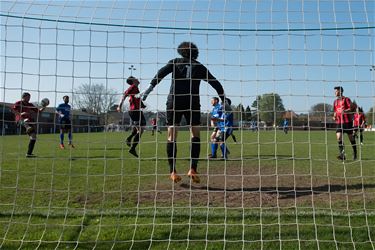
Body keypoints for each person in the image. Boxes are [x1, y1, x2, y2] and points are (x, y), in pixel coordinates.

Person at [141, 41, 226, 183]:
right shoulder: (199, 66)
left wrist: (150, 88)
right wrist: (224, 100)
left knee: (172, 136)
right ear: (195, 53)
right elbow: (215, 82)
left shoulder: (175, 62)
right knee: (195, 134)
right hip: (192, 103)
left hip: (174, 101)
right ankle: (192, 168)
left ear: (181, 51)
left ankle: (173, 171)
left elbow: (160, 73)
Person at [117, 76, 146, 158]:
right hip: (134, 111)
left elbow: (135, 99)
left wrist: (142, 105)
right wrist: (119, 106)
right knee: (140, 130)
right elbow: (124, 95)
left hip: (137, 111)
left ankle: (129, 139)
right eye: (136, 78)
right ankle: (132, 148)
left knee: (140, 129)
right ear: (133, 81)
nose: (138, 79)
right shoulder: (132, 87)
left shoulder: (136, 89)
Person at [11, 92, 47, 157]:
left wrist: (44, 106)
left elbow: (39, 111)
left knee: (33, 137)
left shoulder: (29, 104)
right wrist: (21, 114)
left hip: (29, 122)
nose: (29, 98)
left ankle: (29, 154)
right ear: (23, 97)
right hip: (20, 121)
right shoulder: (18, 103)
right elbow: (13, 111)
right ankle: (27, 127)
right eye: (28, 97)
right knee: (25, 120)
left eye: (29, 97)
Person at [333, 86, 357, 160]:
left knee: (351, 139)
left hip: (347, 122)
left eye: (336, 91)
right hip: (339, 122)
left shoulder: (346, 99)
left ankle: (355, 152)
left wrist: (345, 111)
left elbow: (352, 108)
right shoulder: (335, 101)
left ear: (340, 91)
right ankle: (342, 155)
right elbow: (335, 111)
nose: (335, 92)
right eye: (335, 91)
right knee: (339, 137)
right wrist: (334, 116)